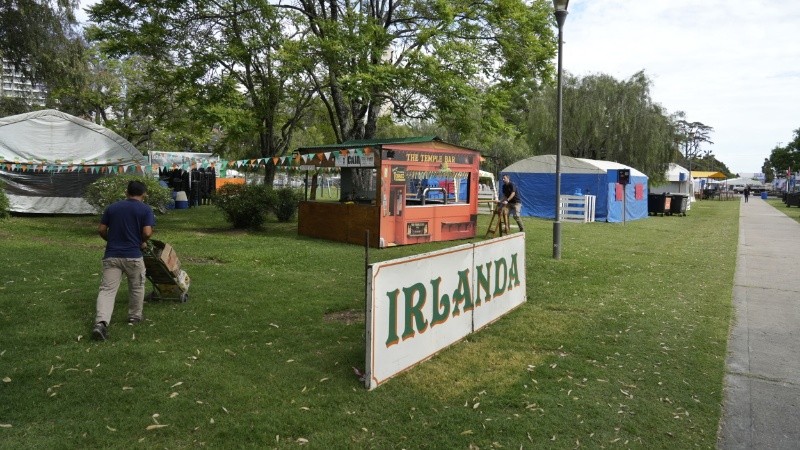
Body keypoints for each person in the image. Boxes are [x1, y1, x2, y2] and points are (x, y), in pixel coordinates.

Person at [92, 181, 156, 341]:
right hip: (133, 256)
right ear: (144, 194)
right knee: (136, 286)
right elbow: (147, 232)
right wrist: (141, 241)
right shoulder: (145, 209)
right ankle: (134, 316)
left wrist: (110, 240)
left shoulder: (112, 208)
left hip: (112, 255)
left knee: (107, 290)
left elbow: (101, 229)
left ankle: (101, 323)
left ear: (126, 192)